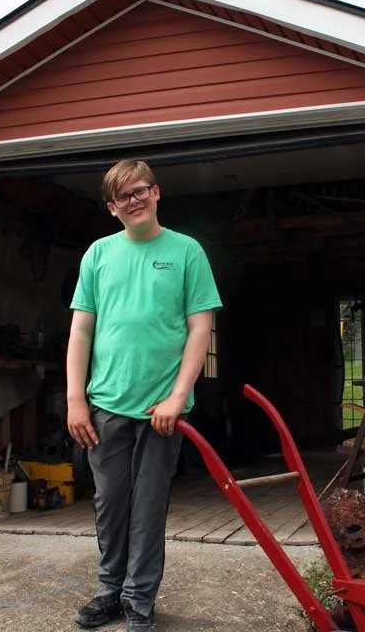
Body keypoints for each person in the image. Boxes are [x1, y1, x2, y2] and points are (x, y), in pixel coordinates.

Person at [66, 159, 222, 632]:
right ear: (112, 208)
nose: (132, 201)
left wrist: (179, 396)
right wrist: (75, 399)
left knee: (148, 506)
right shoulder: (97, 254)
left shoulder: (187, 251)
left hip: (162, 408)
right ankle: (110, 591)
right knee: (110, 504)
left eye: (139, 191)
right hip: (105, 404)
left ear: (155, 193)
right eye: (121, 197)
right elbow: (81, 329)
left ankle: (138, 600)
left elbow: (201, 328)